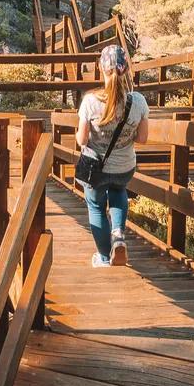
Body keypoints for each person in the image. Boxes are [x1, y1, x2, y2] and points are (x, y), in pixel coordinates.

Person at [75, 44, 149, 266]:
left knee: (96, 206)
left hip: (96, 169)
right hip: (124, 167)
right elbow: (143, 138)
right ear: (126, 69)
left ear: (101, 68)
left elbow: (82, 140)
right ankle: (118, 234)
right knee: (119, 192)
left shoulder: (90, 101)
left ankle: (105, 258)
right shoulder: (138, 102)